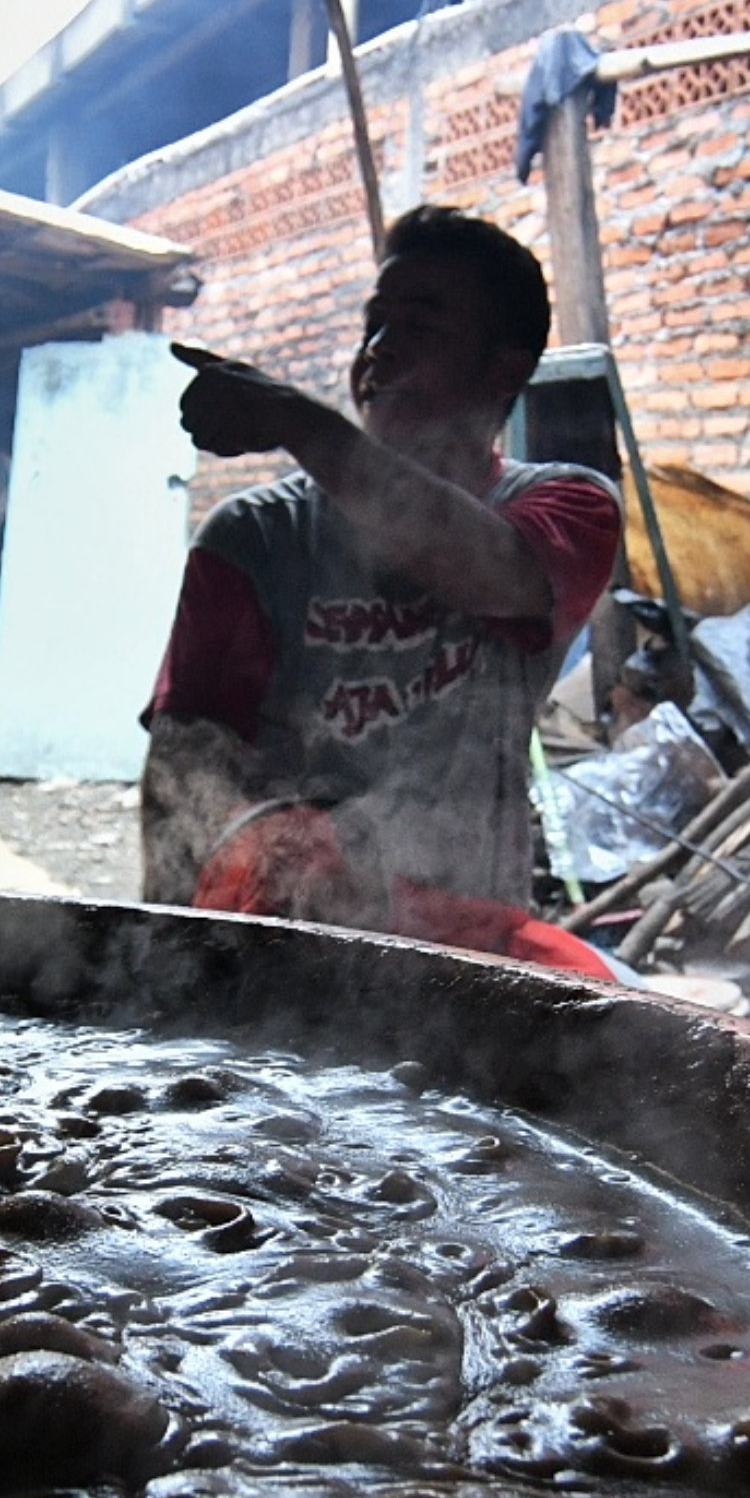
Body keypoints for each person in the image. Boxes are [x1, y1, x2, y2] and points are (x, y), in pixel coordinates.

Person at [140, 204, 623, 977]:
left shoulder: (568, 508)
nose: (378, 350)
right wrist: (165, 955)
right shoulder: (256, 538)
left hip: (466, 954)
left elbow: (490, 570)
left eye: (420, 327)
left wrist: (299, 421)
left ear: (504, 368)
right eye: (375, 324)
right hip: (275, 948)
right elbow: (183, 774)